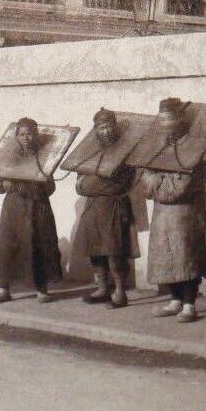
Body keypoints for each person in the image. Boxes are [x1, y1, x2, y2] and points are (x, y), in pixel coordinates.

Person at [137, 98, 206, 323]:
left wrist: (156, 180)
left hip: (185, 212)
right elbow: (143, 177)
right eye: (162, 118)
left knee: (186, 255)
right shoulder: (156, 144)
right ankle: (175, 299)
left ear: (180, 119)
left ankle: (190, 304)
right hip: (162, 213)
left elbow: (180, 187)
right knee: (166, 254)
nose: (165, 123)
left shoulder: (196, 145)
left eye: (170, 118)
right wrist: (159, 180)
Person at [0, 118, 63, 304]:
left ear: (35, 135)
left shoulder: (45, 156)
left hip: (38, 207)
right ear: (17, 136)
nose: (26, 138)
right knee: (7, 245)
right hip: (13, 207)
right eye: (22, 134)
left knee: (39, 245)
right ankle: (3, 289)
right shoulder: (8, 156)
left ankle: (41, 288)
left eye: (29, 133)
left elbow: (50, 188)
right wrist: (4, 183)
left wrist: (36, 186)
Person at [71, 107, 139, 308]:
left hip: (113, 207)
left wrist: (93, 184)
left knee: (113, 250)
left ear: (114, 127)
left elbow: (123, 182)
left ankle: (119, 291)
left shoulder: (125, 149)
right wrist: (97, 183)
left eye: (109, 126)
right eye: (101, 127)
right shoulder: (89, 151)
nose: (106, 131)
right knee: (95, 248)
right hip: (93, 207)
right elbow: (80, 184)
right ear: (96, 130)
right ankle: (102, 287)